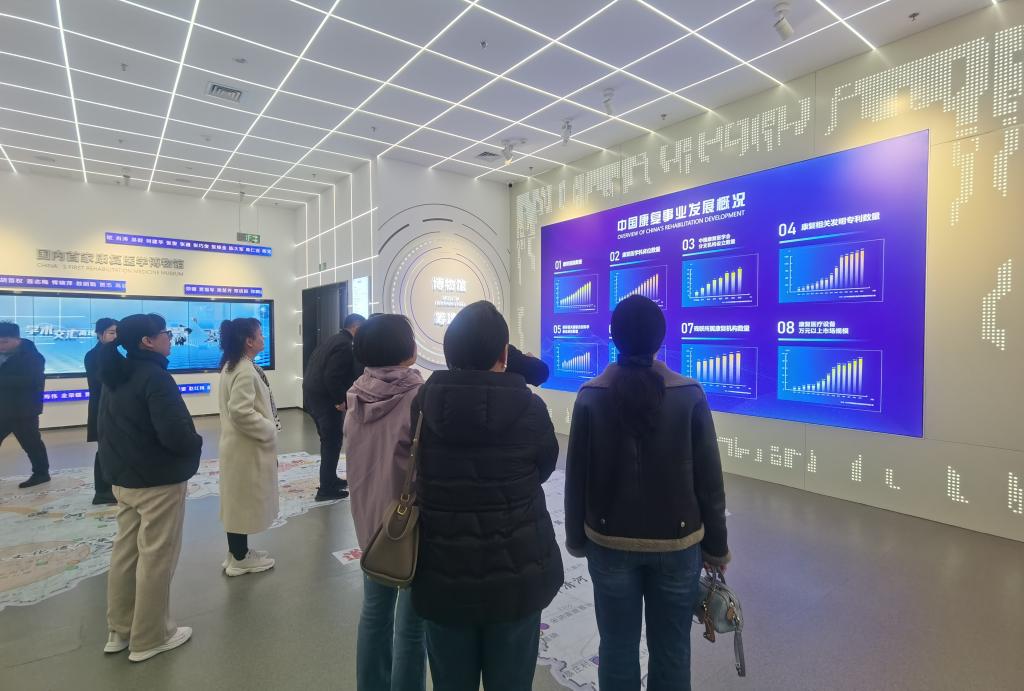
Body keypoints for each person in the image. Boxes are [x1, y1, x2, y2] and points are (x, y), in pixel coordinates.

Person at [564, 295, 731, 691]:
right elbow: (710, 482)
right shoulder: (689, 394)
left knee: (617, 648)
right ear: (661, 337)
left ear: (613, 336)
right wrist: (716, 548)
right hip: (679, 547)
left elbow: (576, 479)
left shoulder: (590, 396)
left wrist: (576, 539)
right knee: (672, 650)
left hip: (608, 545)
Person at [411, 301, 563, 691]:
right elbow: (544, 467)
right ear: (504, 355)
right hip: (516, 575)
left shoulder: (423, 404)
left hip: (442, 573)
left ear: (449, 351)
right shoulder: (531, 408)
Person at [98, 313, 203, 663]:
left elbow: (106, 428)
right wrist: (195, 442)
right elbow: (174, 433)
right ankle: (150, 636)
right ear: (148, 341)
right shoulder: (155, 377)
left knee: (125, 553)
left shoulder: (117, 372)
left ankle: (120, 630)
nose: (170, 338)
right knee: (157, 557)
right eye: (165, 333)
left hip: (125, 479)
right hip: (157, 481)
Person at [345, 314, 426, 691]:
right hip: (408, 525)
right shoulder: (418, 397)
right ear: (407, 349)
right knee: (411, 625)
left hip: (368, 520)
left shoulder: (356, 394)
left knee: (374, 612)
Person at [217, 318, 279, 577]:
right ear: (248, 341)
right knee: (241, 503)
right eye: (260, 334)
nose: (263, 338)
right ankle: (240, 559)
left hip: (240, 447)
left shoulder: (237, 364)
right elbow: (241, 412)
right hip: (245, 448)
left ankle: (237, 552)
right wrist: (268, 429)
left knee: (237, 502)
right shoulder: (243, 369)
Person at [303, 313, 366, 501]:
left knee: (329, 440)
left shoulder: (333, 340)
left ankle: (330, 479)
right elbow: (332, 376)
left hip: (313, 396)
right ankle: (326, 489)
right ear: (356, 328)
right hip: (324, 399)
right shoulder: (345, 345)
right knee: (331, 442)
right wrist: (340, 400)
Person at [0, 321, 50, 488]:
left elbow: (32, 381)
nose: (1, 345)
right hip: (2, 409)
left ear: (17, 339)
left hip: (24, 410)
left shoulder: (33, 357)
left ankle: (41, 474)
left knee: (32, 444)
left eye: (4, 341)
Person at [85, 318, 118, 504]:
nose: (115, 336)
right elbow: (102, 383)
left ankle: (111, 486)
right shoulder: (94, 355)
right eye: (111, 332)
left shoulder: (114, 353)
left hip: (113, 407)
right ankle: (102, 491)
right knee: (105, 450)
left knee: (113, 448)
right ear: (99, 334)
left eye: (117, 332)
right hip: (102, 407)